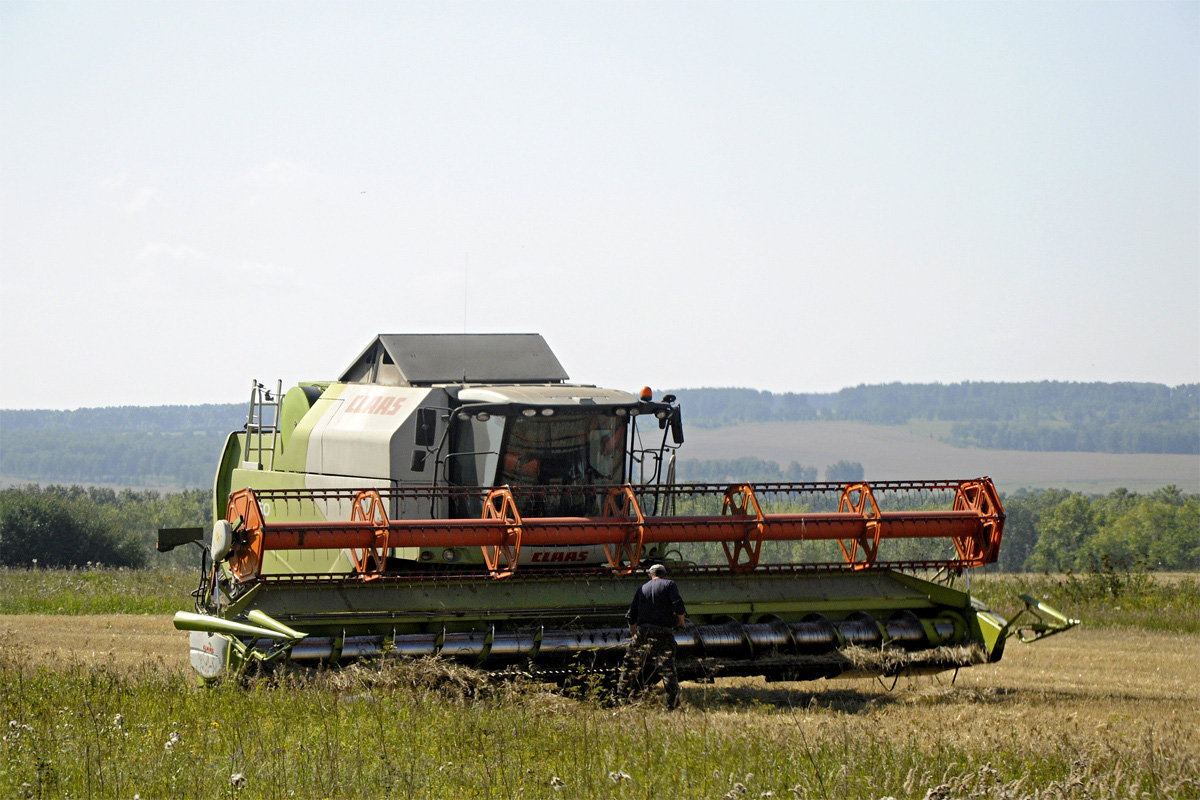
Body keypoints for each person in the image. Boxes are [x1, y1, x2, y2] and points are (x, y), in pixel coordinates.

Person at [615, 563, 687, 709]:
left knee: (630, 665)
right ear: (665, 574)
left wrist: (635, 635)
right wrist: (681, 622)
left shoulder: (642, 588)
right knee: (668, 669)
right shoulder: (669, 584)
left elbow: (630, 616)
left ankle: (621, 699)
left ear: (650, 575)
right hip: (664, 632)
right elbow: (678, 604)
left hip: (644, 631)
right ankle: (673, 704)